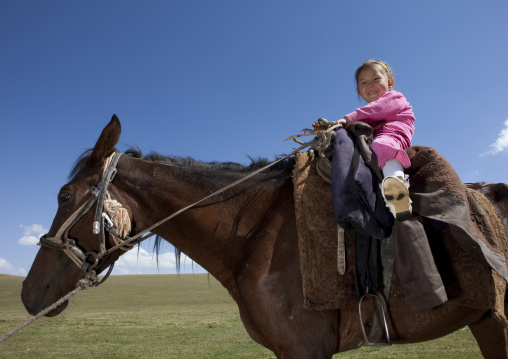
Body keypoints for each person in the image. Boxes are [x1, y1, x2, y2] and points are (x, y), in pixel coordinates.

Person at [315, 60, 415, 221]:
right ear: (358, 90)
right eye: (364, 82)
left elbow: (374, 110)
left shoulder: (394, 98)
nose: (370, 85)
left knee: (381, 145)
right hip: (377, 136)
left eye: (376, 79)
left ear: (390, 82)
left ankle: (397, 186)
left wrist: (346, 120)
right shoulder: (368, 116)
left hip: (393, 133)